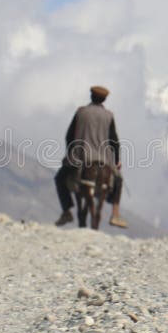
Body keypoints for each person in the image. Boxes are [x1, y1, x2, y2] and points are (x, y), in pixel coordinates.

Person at [55, 86, 128, 228]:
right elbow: (114, 141)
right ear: (104, 99)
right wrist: (117, 160)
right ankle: (115, 214)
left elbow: (69, 136)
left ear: (91, 96)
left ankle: (66, 211)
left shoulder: (80, 112)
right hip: (104, 160)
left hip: (80, 157)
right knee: (118, 180)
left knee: (59, 179)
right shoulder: (109, 116)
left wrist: (70, 154)